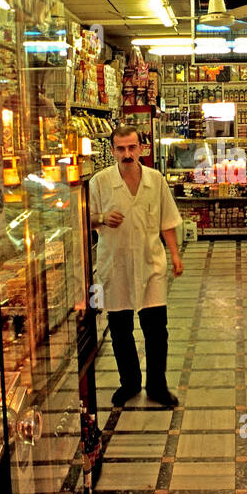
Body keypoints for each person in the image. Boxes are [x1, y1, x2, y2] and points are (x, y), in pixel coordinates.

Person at [89, 125, 184, 407]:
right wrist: (103, 218)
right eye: (120, 149)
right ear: (112, 151)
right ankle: (128, 383)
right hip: (115, 265)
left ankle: (157, 385)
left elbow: (167, 221)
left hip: (150, 262)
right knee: (120, 329)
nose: (127, 154)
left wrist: (175, 255)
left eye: (132, 147)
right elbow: (87, 219)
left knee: (156, 329)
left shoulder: (156, 181)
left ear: (142, 148)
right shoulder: (99, 182)